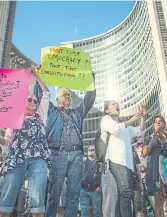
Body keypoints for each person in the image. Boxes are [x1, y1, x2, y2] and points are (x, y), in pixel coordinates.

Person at [34, 73, 96, 217]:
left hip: (76, 155)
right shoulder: (51, 110)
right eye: (65, 95)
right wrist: (38, 76)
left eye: (69, 95)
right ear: (58, 99)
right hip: (57, 154)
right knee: (54, 192)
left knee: (74, 193)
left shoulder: (77, 113)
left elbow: (89, 100)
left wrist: (91, 82)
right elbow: (40, 94)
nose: (68, 97)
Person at [0, 67, 50, 217]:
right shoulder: (14, 118)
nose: (32, 102)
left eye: (35, 101)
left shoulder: (41, 116)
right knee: (8, 194)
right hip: (17, 158)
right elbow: (7, 142)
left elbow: (46, 92)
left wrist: (36, 76)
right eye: (29, 99)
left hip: (38, 158)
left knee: (37, 198)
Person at [100, 101, 145, 217]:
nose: (116, 105)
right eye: (113, 104)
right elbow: (115, 130)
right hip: (115, 161)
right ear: (107, 110)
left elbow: (140, 131)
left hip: (128, 165)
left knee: (121, 196)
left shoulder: (125, 126)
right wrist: (133, 118)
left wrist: (142, 118)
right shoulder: (106, 119)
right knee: (126, 193)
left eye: (117, 103)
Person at [143, 116, 167, 217]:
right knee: (158, 202)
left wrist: (163, 138)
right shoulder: (149, 138)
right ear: (153, 126)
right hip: (155, 173)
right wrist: (154, 137)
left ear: (164, 124)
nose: (158, 123)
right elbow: (144, 153)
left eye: (161, 121)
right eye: (156, 122)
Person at [80, 145, 102, 217]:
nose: (90, 151)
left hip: (96, 190)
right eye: (89, 150)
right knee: (84, 213)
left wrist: (100, 187)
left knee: (96, 213)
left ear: (96, 151)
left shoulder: (100, 163)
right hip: (83, 190)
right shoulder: (82, 162)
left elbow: (104, 176)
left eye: (92, 150)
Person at [133, 137, 148, 217]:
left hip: (148, 179)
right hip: (137, 181)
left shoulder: (147, 151)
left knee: (150, 202)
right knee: (138, 204)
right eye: (137, 137)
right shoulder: (133, 153)